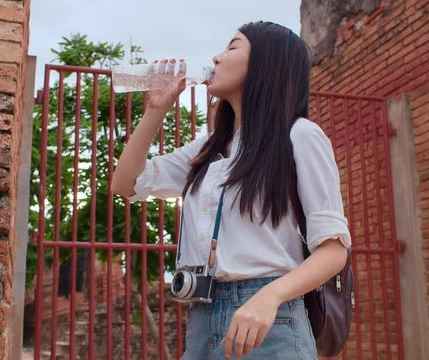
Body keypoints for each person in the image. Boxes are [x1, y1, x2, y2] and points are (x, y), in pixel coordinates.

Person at [111, 21, 351, 360]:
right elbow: (126, 184)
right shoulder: (209, 147)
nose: (216, 58)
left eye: (232, 47)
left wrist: (270, 297)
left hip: (270, 319)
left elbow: (333, 251)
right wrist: (155, 111)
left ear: (266, 64)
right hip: (202, 317)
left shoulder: (299, 136)